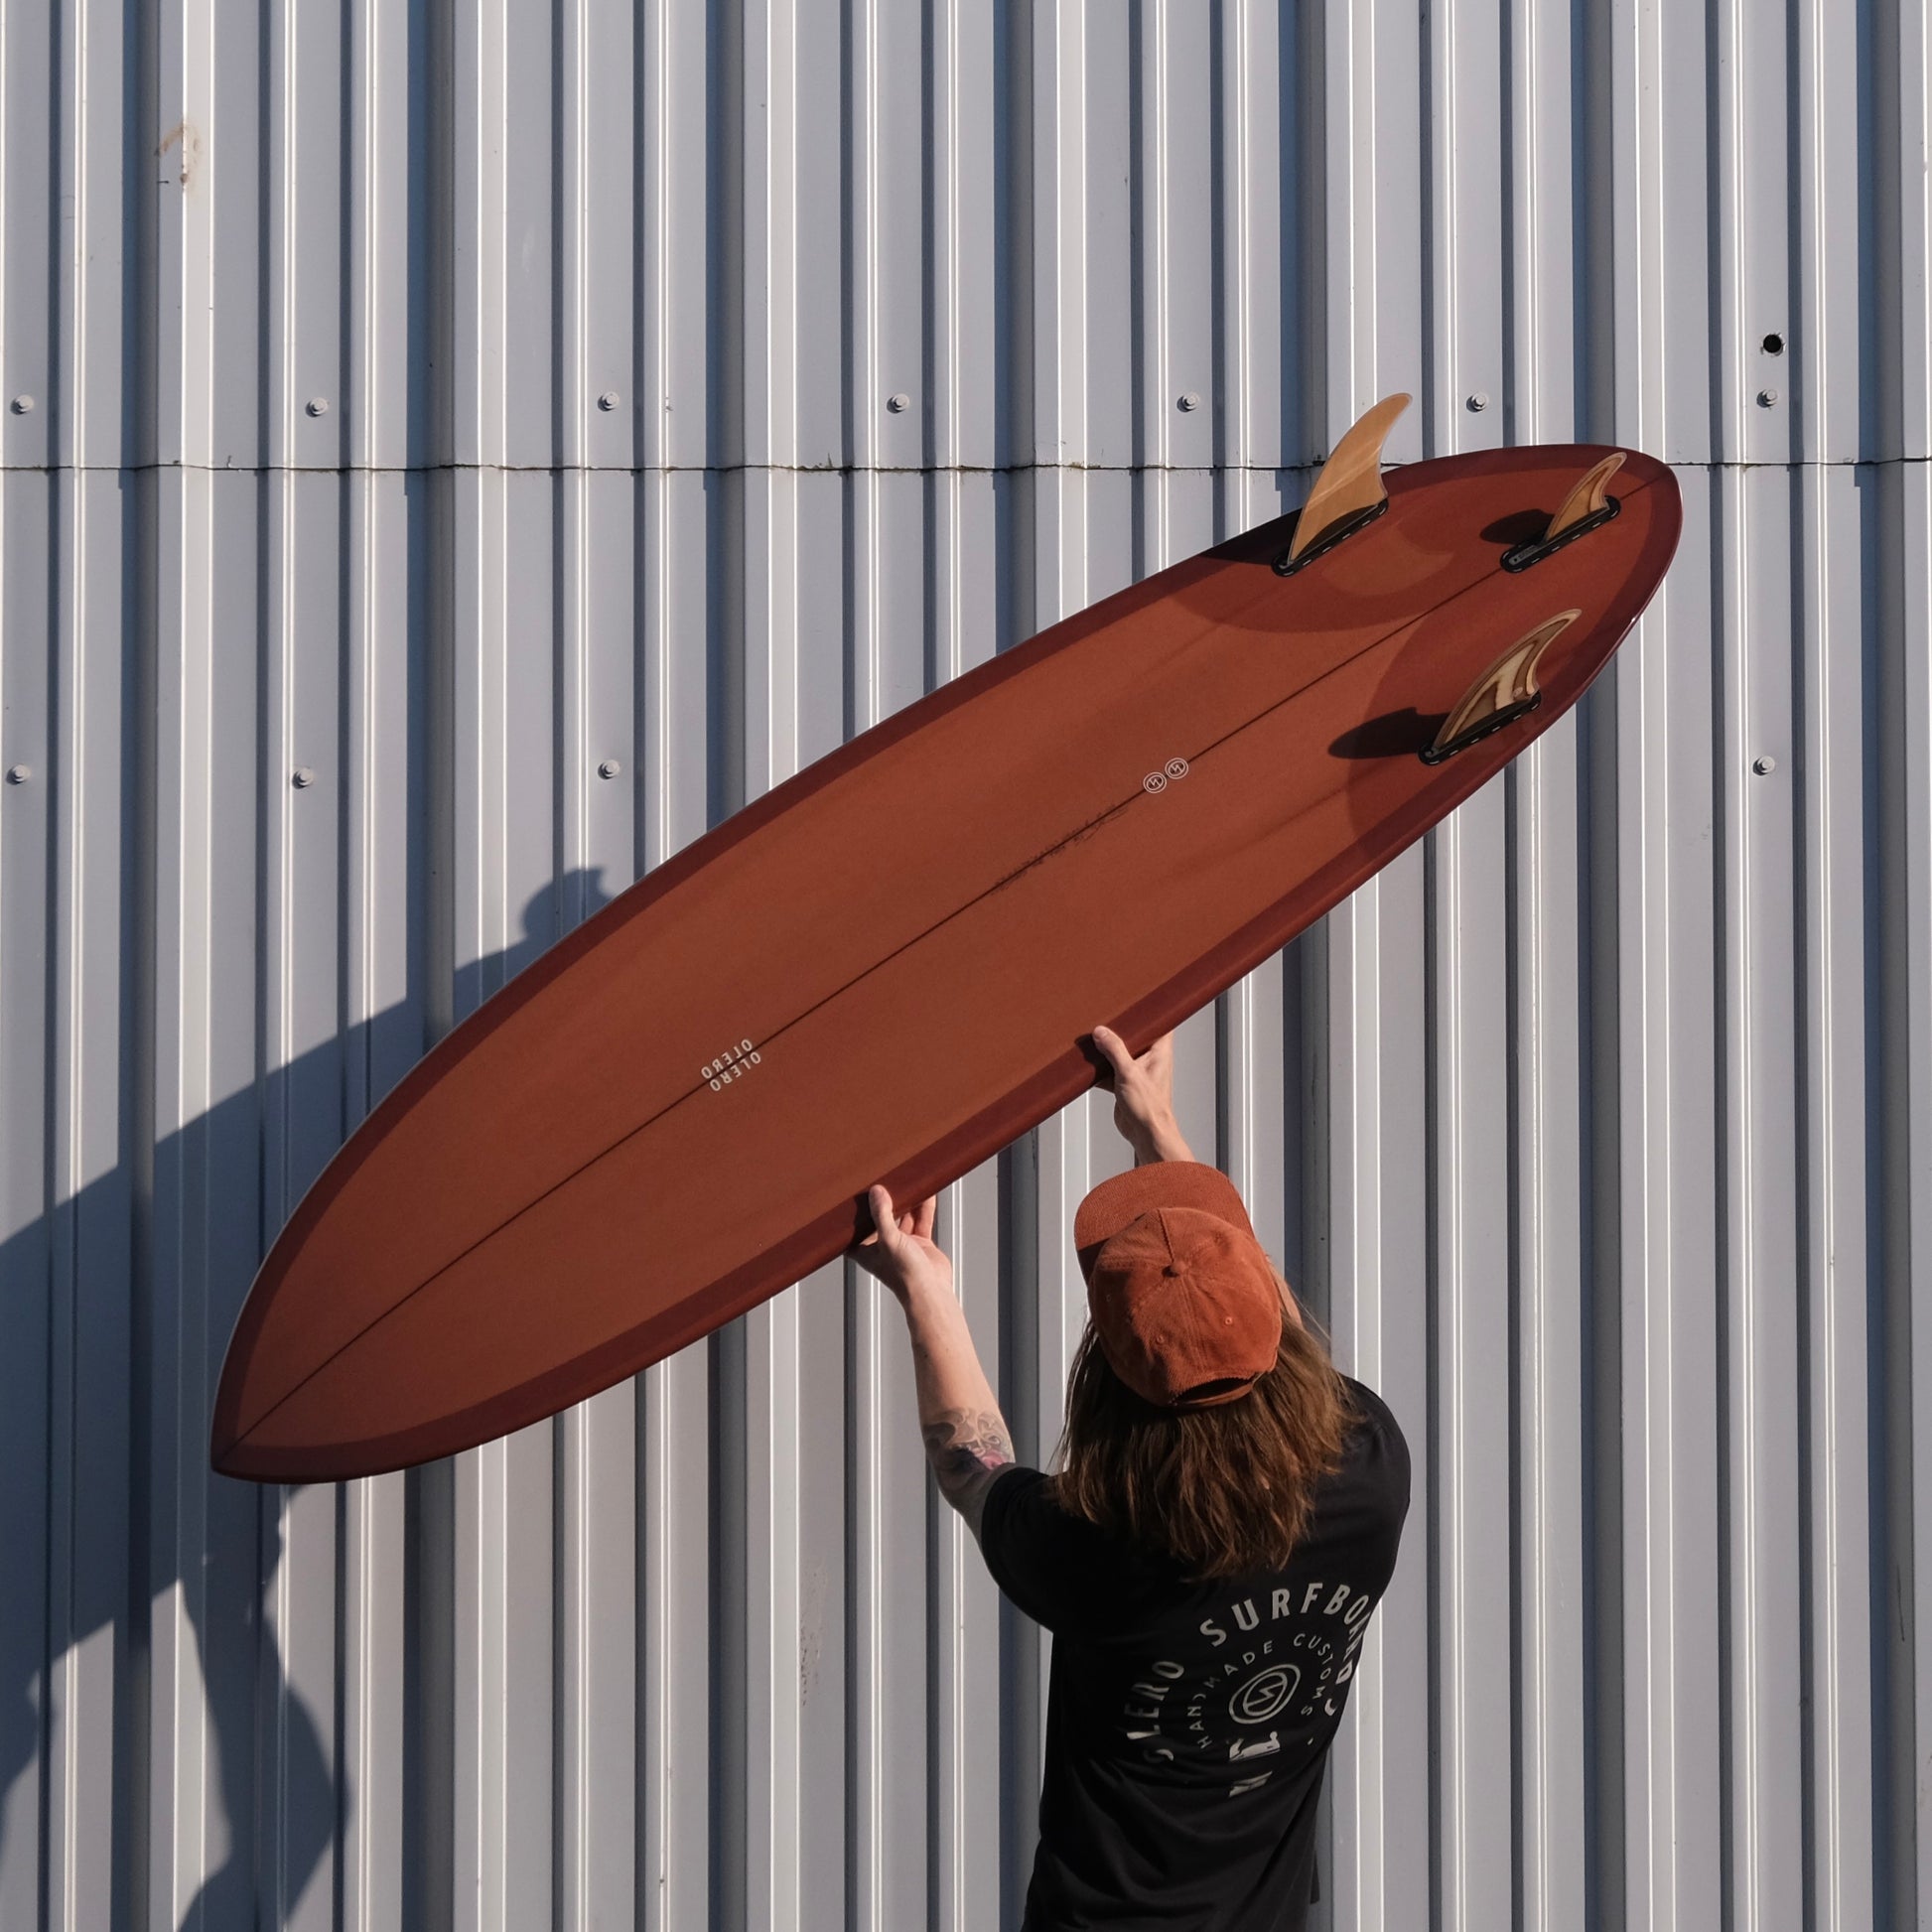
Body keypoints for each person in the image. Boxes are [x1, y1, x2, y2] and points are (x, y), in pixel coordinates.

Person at [848, 1022, 1411, 1932]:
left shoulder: (1102, 1553)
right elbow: (1255, 1320)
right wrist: (1157, 1128)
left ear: (1104, 1384)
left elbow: (975, 1467)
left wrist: (924, 1288)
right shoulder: (1367, 1465)